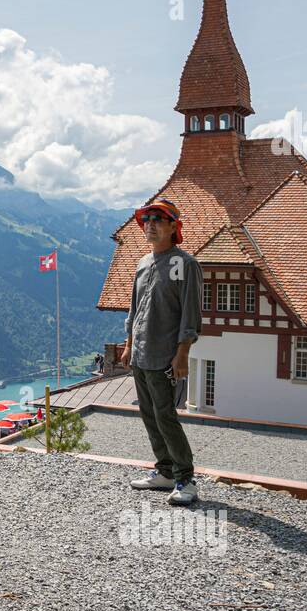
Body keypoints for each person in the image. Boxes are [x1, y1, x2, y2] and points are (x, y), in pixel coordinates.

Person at [119, 197, 203, 506]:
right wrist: (129, 344)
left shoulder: (185, 264)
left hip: (164, 356)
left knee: (165, 416)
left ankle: (186, 479)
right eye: (146, 220)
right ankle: (165, 471)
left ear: (173, 226)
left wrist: (182, 355)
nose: (150, 224)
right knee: (149, 414)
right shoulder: (143, 263)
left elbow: (190, 316)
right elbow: (134, 308)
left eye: (157, 219)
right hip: (141, 353)